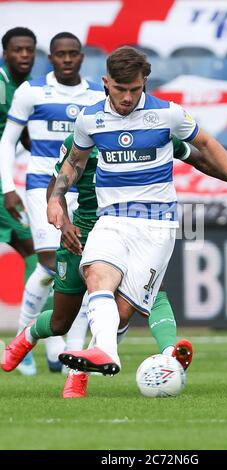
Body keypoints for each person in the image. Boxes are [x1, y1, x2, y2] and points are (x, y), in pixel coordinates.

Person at [1, 47, 227, 383]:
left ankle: (94, 361)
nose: (126, 98)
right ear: (106, 83)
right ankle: (79, 348)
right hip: (102, 222)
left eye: (134, 90)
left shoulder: (166, 116)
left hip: (156, 225)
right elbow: (70, 167)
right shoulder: (88, 122)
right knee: (83, 294)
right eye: (119, 89)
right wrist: (56, 202)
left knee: (124, 310)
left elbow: (204, 151)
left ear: (145, 83)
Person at [0, 32, 105, 373]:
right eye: (61, 54)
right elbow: (7, 141)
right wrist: (8, 187)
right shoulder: (32, 92)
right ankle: (29, 340)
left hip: (83, 190)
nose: (67, 59)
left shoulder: (94, 94)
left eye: (73, 54)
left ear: (81, 57)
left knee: (78, 267)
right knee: (47, 262)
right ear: (52, 57)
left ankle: (65, 350)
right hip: (40, 188)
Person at [0, 27, 39, 375]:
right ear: (5, 52)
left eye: (29, 50)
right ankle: (22, 343)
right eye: (17, 50)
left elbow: (24, 137)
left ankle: (23, 340)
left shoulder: (23, 90)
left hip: (5, 183)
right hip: (3, 186)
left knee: (35, 252)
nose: (24, 55)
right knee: (35, 251)